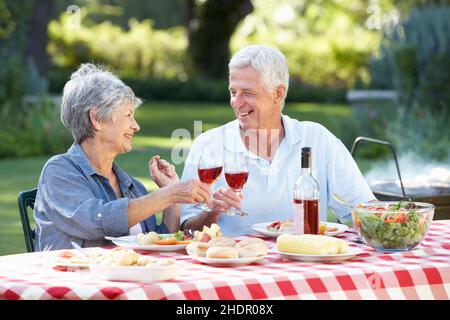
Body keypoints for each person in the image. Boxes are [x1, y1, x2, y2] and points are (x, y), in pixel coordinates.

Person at [180, 45, 376, 237]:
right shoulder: (207, 144)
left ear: (278, 93)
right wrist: (212, 211)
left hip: (304, 262)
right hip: (236, 264)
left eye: (248, 93)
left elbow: (365, 208)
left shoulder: (317, 139)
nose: (236, 103)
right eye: (233, 92)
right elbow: (186, 230)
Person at [34, 64, 210, 251]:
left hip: (129, 277)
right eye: (128, 115)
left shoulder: (131, 186)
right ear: (97, 119)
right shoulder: (59, 172)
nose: (136, 126)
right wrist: (169, 194)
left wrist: (172, 193)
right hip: (74, 277)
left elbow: (155, 241)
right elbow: (97, 221)